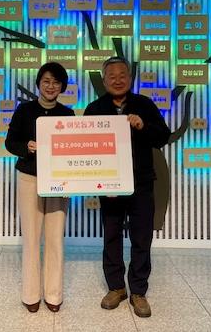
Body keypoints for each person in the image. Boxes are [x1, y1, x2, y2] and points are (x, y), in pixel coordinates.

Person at [84, 56, 170, 318]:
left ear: (130, 78)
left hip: (141, 182)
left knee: (141, 236)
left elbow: (163, 136)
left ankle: (138, 291)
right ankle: (116, 287)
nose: (118, 80)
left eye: (123, 75)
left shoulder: (144, 104)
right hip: (109, 184)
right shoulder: (94, 109)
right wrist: (97, 180)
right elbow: (87, 147)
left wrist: (143, 126)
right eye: (112, 76)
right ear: (104, 80)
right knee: (111, 235)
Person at [5, 62, 74, 313]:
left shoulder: (68, 114)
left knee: (55, 238)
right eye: (46, 81)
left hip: (58, 180)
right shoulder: (24, 110)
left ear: (62, 86)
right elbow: (10, 142)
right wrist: (27, 146)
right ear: (38, 83)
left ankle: (54, 295)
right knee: (32, 238)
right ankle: (31, 294)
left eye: (56, 82)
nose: (51, 86)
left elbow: (73, 148)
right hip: (30, 178)